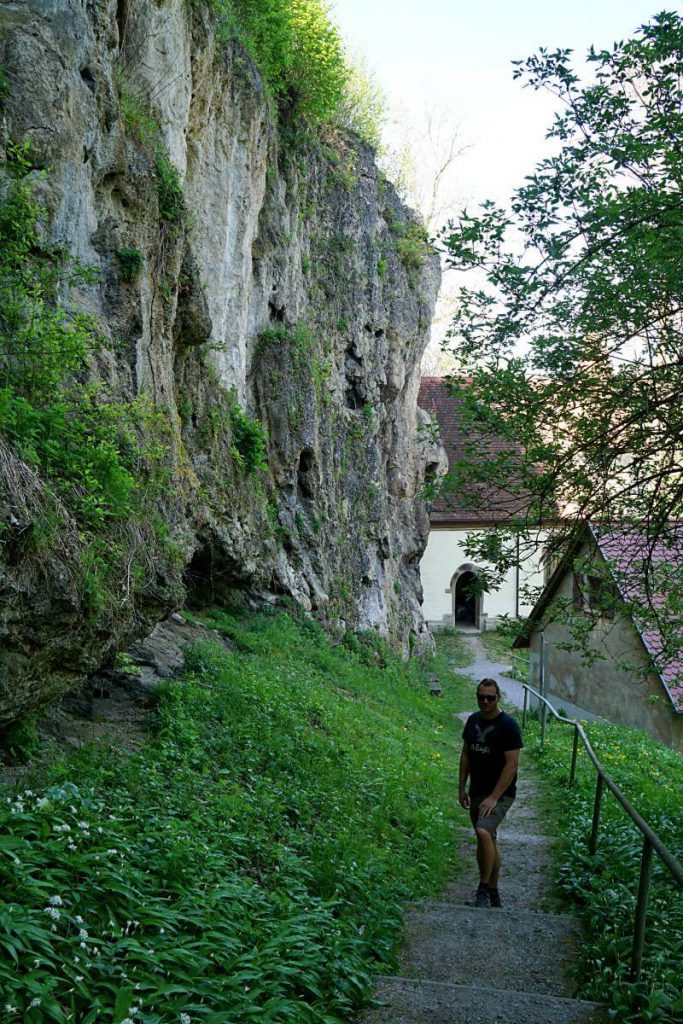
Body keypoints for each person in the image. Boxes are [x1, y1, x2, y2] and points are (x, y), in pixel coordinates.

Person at [459, 678, 523, 908]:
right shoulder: (473, 721)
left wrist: (494, 797)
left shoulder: (508, 725)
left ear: (498, 698)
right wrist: (461, 787)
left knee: (484, 832)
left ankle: (483, 890)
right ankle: (494, 894)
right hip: (477, 790)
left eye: (490, 697)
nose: (485, 701)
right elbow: (466, 754)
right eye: (481, 697)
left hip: (500, 794)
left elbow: (512, 765)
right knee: (486, 840)